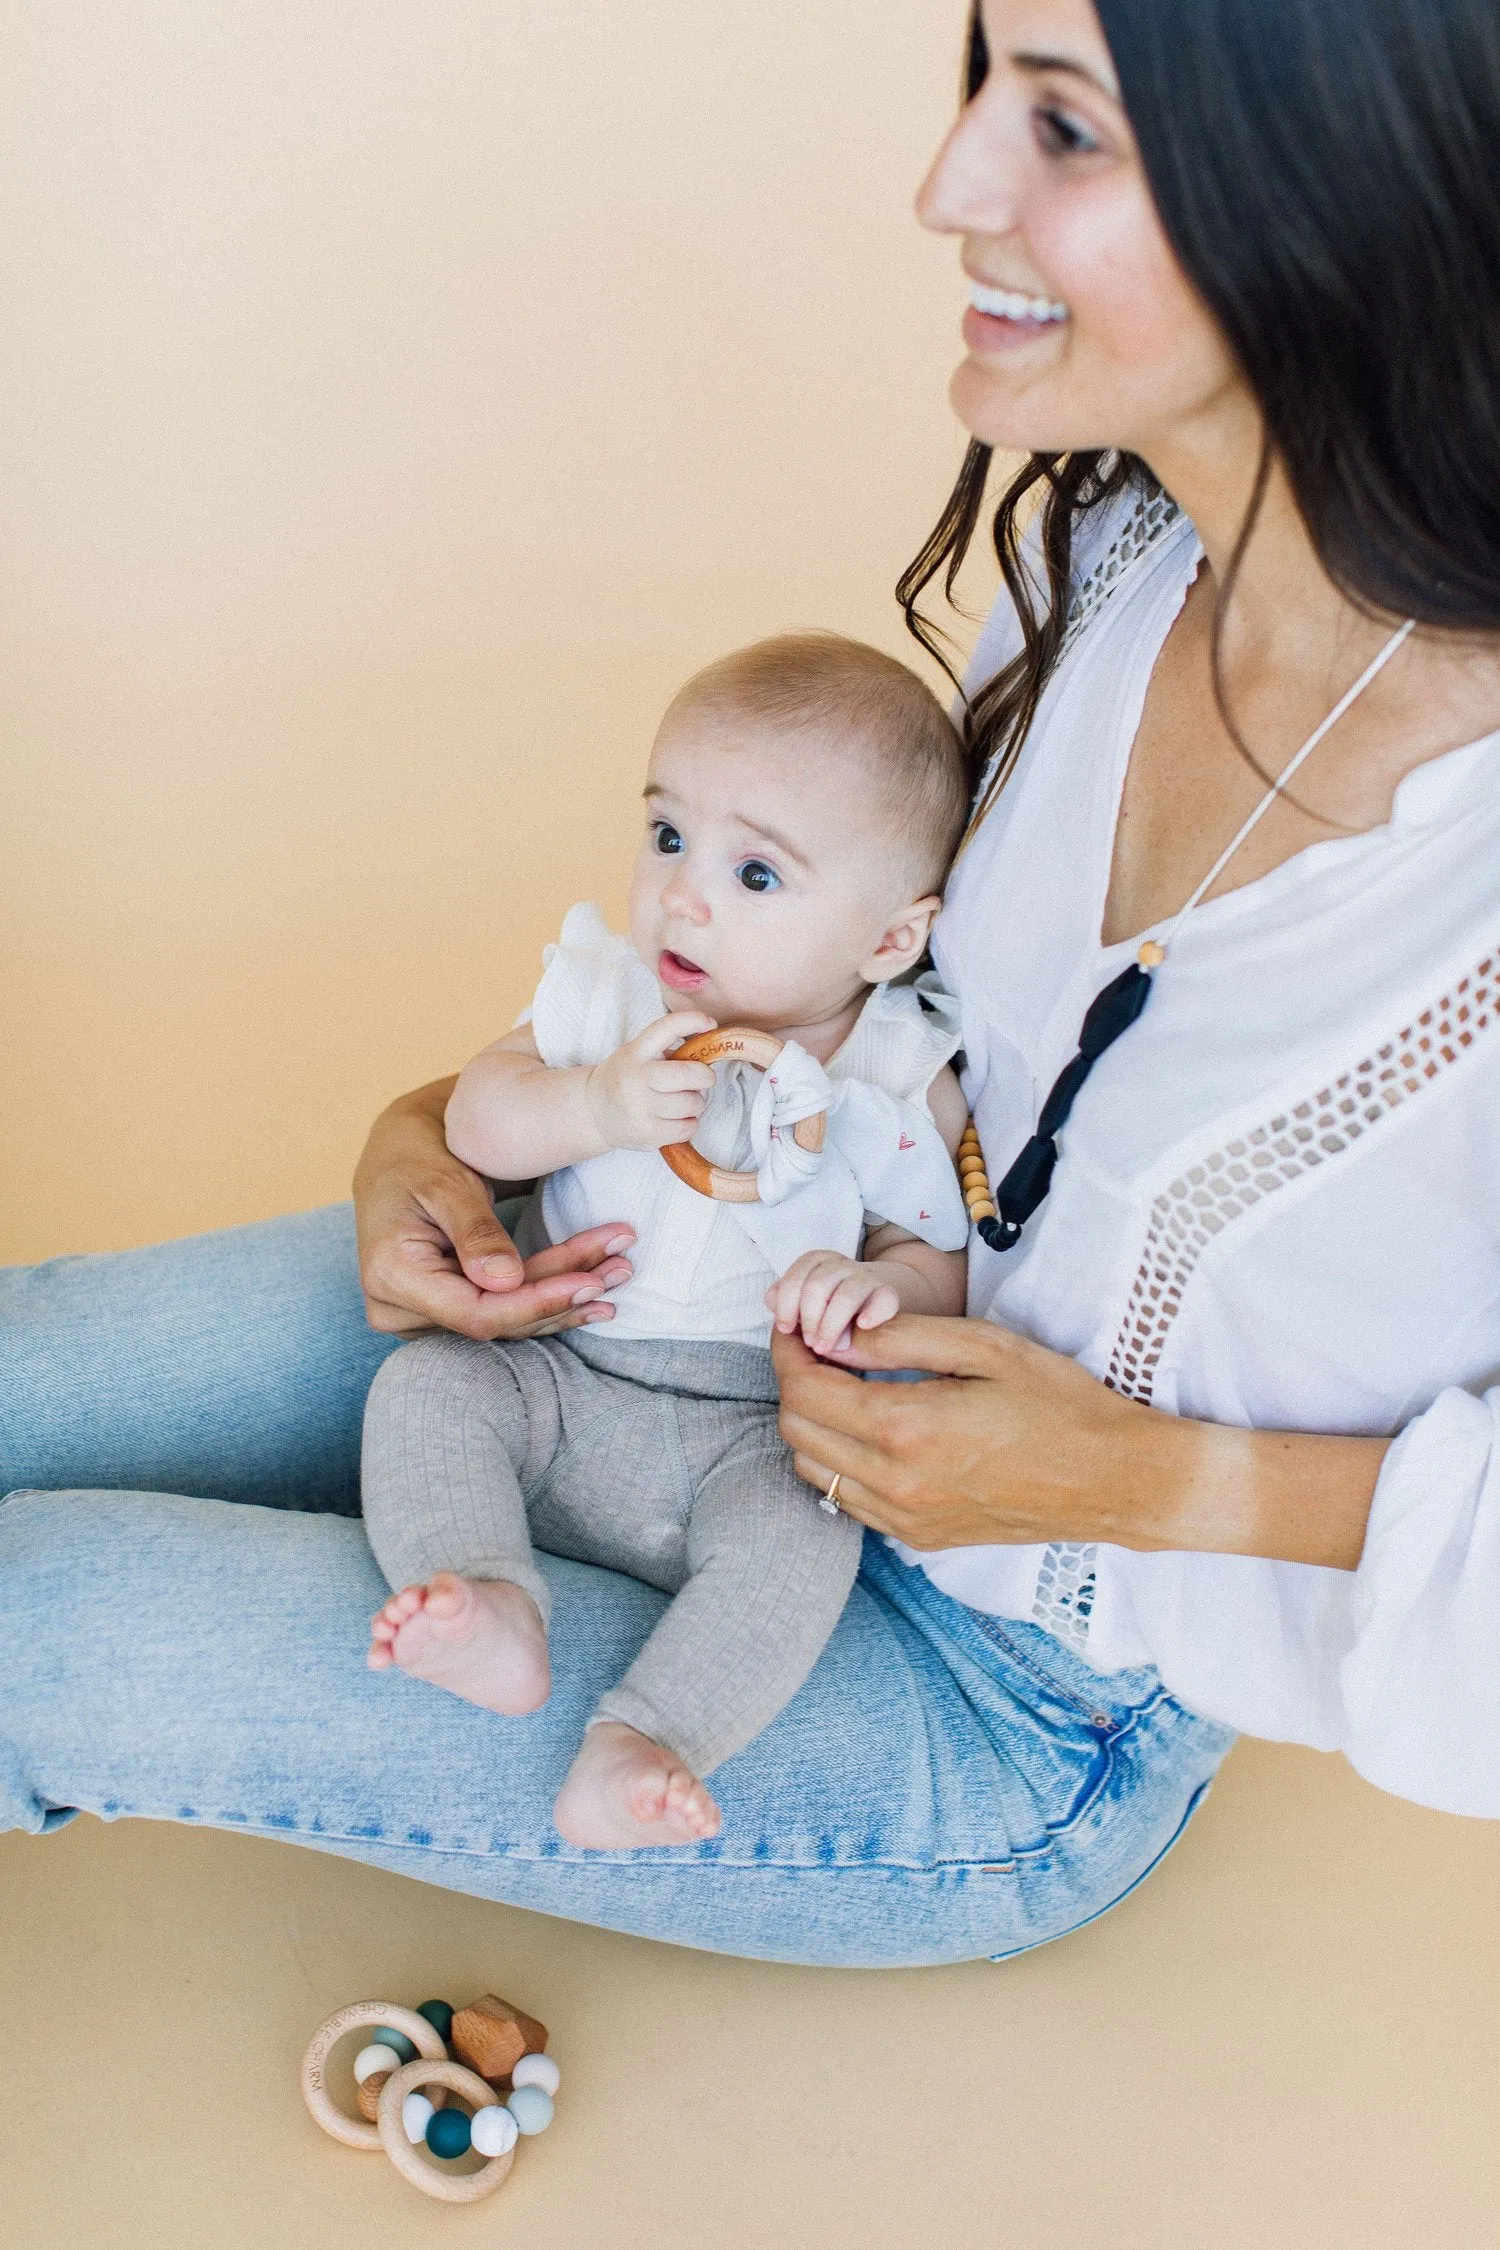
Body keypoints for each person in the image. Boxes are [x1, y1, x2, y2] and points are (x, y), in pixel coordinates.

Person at [2, 0, 1498, 1971]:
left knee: (36, 1619)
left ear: (1345, 182)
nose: (945, 186)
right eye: (984, 84)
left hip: (1008, 1693)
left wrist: (1131, 1474)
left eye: (1061, 127)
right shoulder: (1128, 559)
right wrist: (430, 1145)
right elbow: (835, 1005)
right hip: (632, 1329)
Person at [361, 634, 969, 1850]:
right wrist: (591, 1106)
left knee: (812, 1534)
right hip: (558, 1369)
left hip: (751, 1436)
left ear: (889, 941)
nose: (683, 894)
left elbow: (933, 1254)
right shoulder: (608, 1000)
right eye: (668, 836)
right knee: (425, 1385)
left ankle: (650, 1739)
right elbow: (476, 1115)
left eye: (756, 876)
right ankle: (488, 1599)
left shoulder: (898, 1074)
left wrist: (866, 1287)